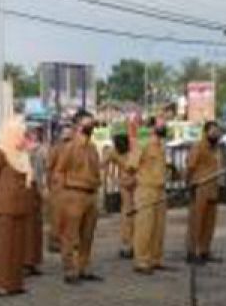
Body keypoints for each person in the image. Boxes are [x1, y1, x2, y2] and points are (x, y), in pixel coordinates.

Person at [0, 118, 33, 297]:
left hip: (20, 206)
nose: (23, 137)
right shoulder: (0, 153)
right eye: (20, 133)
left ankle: (15, 283)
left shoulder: (22, 154)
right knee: (4, 247)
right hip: (4, 206)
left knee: (18, 247)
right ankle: (0, 284)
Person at [54, 111, 102, 284]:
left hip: (90, 195)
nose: (91, 126)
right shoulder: (69, 147)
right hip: (73, 194)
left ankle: (84, 267)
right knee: (70, 235)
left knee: (87, 235)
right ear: (78, 125)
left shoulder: (93, 148)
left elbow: (97, 171)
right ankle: (70, 269)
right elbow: (58, 171)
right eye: (87, 122)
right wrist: (62, 197)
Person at [133, 118, 170, 274]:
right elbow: (131, 165)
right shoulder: (143, 144)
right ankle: (141, 261)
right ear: (153, 127)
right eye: (161, 123)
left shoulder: (162, 146)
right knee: (145, 227)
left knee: (158, 228)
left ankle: (156, 259)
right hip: (146, 189)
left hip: (160, 189)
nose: (164, 126)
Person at [185, 121, 223, 263]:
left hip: (213, 188)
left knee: (209, 222)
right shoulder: (198, 147)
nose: (215, 134)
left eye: (217, 132)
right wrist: (189, 183)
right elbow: (190, 167)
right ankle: (191, 251)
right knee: (196, 221)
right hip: (200, 187)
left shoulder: (216, 149)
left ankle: (204, 250)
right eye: (213, 131)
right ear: (205, 132)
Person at [104, 125, 139, 260]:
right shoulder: (113, 151)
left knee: (138, 215)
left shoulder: (135, 148)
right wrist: (115, 180)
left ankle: (137, 244)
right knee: (127, 215)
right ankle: (127, 245)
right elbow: (103, 164)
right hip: (125, 186)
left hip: (138, 184)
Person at [45, 124, 73, 254]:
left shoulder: (75, 148)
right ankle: (54, 241)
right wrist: (50, 184)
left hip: (71, 185)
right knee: (57, 216)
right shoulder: (56, 148)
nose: (68, 136)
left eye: (70, 133)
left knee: (69, 216)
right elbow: (49, 167)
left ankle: (67, 241)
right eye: (65, 133)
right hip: (58, 186)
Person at [24, 127, 47, 276]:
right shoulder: (22, 152)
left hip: (35, 190)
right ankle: (27, 261)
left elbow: (44, 170)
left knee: (35, 230)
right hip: (26, 192)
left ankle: (33, 261)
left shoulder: (40, 151)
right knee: (27, 230)